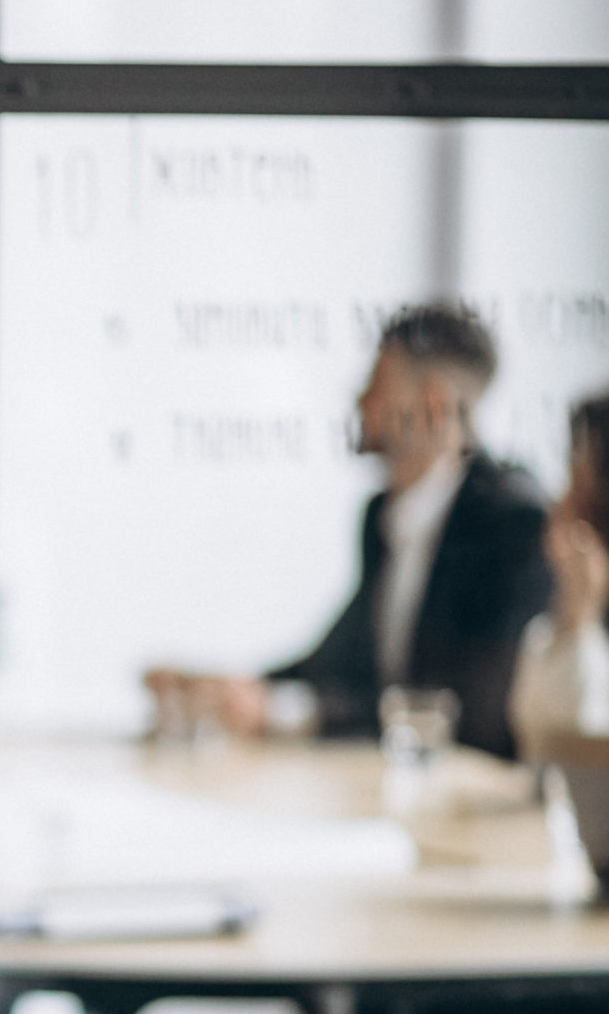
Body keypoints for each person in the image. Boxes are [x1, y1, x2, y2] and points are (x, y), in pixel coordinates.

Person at [154, 303, 553, 760]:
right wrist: (237, 689)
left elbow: (459, 711)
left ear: (433, 404)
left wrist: (287, 711)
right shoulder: (382, 517)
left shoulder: (513, 527)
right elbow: (341, 664)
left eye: (376, 386)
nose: (360, 403)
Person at [512, 388, 609, 755]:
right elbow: (543, 752)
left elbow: (586, 755)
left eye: (581, 482)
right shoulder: (556, 621)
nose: (562, 503)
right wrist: (577, 620)